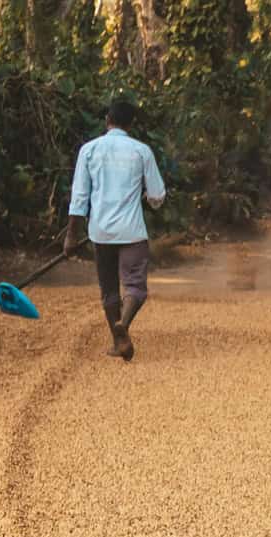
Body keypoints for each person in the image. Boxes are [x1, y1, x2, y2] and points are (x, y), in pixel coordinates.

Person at [64, 99, 166, 361]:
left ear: (107, 119)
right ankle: (124, 324)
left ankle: (117, 338)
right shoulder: (141, 151)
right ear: (131, 124)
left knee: (108, 289)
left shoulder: (89, 150)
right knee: (135, 287)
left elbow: (79, 197)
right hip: (131, 231)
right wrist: (149, 199)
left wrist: (71, 236)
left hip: (100, 231)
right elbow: (157, 196)